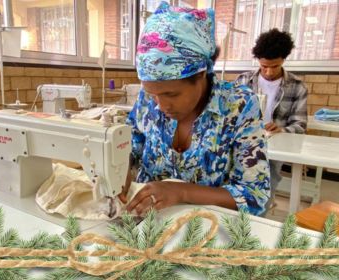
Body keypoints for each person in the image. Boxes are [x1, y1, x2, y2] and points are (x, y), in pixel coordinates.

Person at [119, 1, 270, 217]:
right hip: (147, 220)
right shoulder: (146, 99)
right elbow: (129, 144)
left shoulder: (239, 106)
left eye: (171, 94)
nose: (160, 106)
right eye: (153, 94)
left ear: (201, 74)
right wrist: (120, 168)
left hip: (206, 228)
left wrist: (181, 192)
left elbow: (255, 196)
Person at [235, 29, 308, 210]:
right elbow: (231, 115)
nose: (268, 72)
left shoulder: (297, 86)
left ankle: (261, 215)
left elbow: (300, 125)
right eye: (263, 66)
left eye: (274, 66)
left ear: (284, 59)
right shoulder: (244, 80)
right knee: (237, 189)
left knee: (264, 191)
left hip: (274, 149)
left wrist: (281, 129)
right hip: (243, 144)